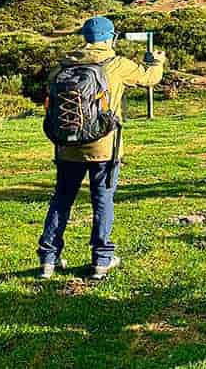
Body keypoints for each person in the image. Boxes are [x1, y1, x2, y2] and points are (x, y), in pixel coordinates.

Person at [38, 16, 165, 280]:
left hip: (66, 147)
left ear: (85, 37)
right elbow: (150, 78)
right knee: (102, 200)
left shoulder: (63, 65)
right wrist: (157, 60)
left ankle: (48, 259)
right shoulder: (116, 64)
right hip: (104, 147)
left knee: (62, 199)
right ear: (110, 38)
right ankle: (101, 260)